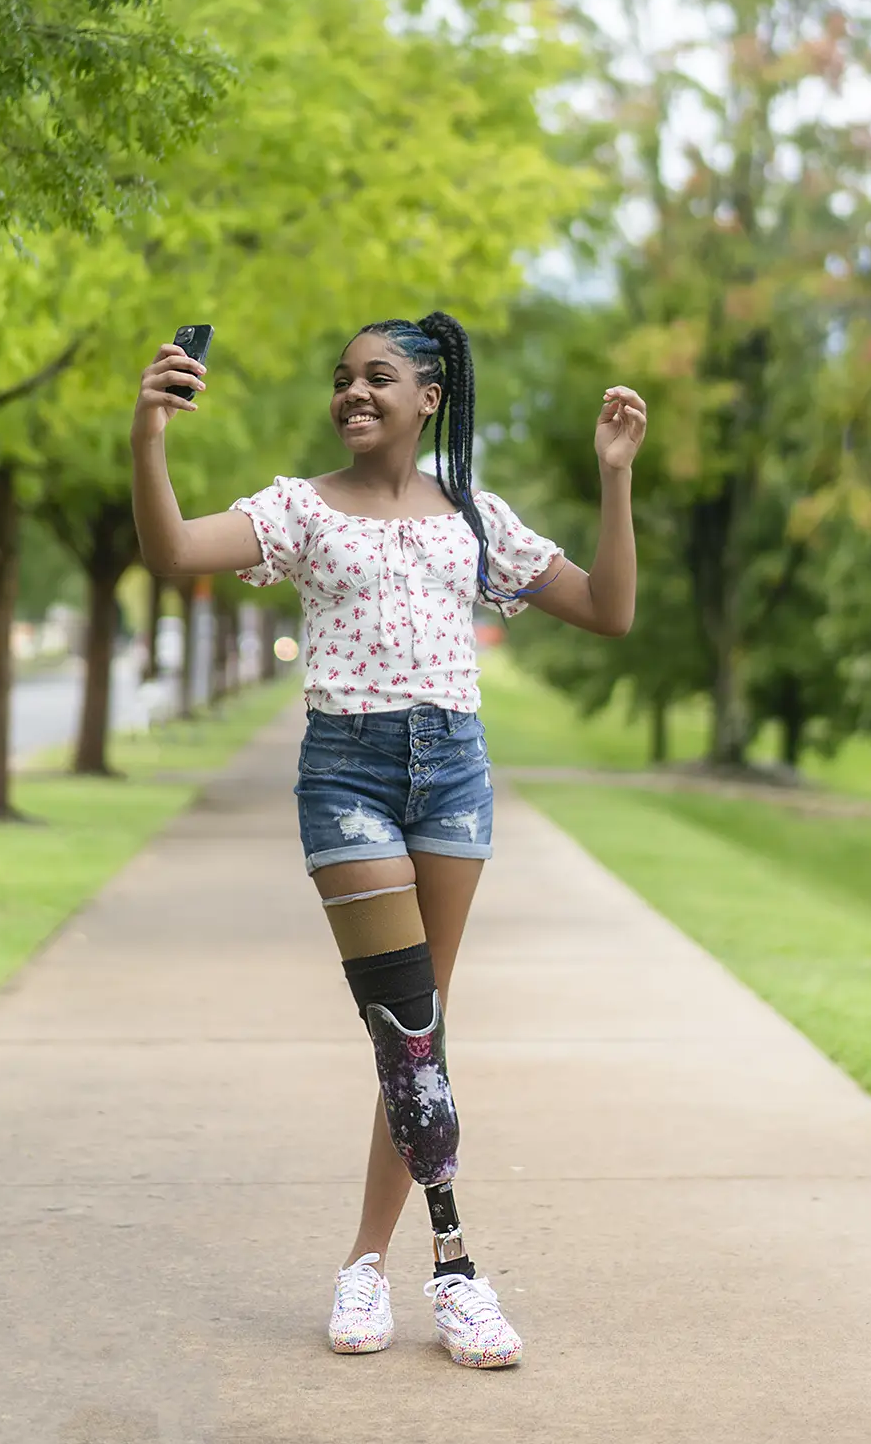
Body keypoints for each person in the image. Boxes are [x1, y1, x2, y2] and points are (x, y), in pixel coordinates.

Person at [130, 311, 645, 1369]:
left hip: (452, 773)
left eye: (379, 377)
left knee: (421, 1040)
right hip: (350, 776)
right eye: (342, 378)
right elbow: (172, 546)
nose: (354, 393)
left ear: (429, 397)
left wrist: (614, 477)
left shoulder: (474, 517)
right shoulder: (301, 510)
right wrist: (149, 435)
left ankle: (368, 1261)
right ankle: (457, 1268)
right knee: (408, 1028)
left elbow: (606, 609)